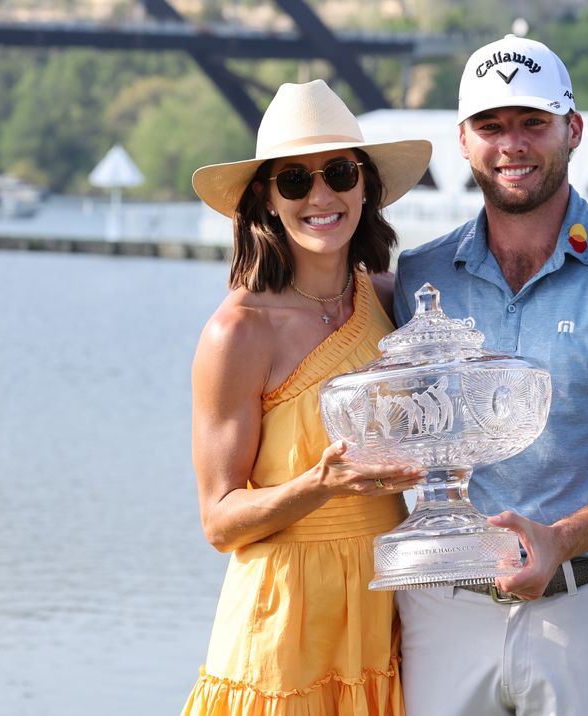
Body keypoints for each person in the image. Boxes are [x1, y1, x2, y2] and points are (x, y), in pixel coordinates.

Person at [392, 35, 588, 715]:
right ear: (464, 140)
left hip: (585, 608)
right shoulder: (420, 277)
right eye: (491, 126)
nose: (512, 144)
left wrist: (560, 538)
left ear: (573, 129)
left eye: (533, 123)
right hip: (442, 611)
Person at [181, 80, 432, 715]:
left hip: (384, 606)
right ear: (266, 199)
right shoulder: (237, 332)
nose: (321, 196)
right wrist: (317, 486)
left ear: (365, 185)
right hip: (285, 620)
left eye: (339, 172)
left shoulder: (386, 298)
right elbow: (219, 520)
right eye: (294, 181)